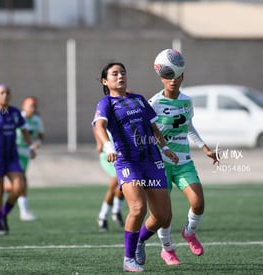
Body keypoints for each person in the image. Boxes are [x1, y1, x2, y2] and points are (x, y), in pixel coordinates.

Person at [92, 62, 179, 272]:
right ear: (106, 81)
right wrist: (107, 145)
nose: (120, 76)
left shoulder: (139, 99)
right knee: (138, 207)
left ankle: (140, 241)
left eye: (123, 72)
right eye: (115, 74)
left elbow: (153, 127)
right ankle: (129, 259)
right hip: (128, 162)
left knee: (162, 216)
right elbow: (99, 126)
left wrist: (165, 147)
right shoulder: (106, 103)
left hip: (153, 160)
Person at [148, 49, 219, 265]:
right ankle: (167, 249)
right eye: (168, 76)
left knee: (198, 203)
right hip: (159, 163)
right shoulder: (154, 104)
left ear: (182, 76)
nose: (172, 80)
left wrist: (205, 148)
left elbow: (188, 127)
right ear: (162, 77)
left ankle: (189, 232)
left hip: (183, 162)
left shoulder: (187, 102)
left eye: (176, 76)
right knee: (164, 214)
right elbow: (148, 131)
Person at [0, 84, 36, 235]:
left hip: (11, 156)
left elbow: (24, 130)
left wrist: (30, 147)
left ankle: (3, 214)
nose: (5, 95)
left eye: (7, 92)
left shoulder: (15, 113)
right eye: (1, 93)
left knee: (19, 186)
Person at [14, 96, 44, 221]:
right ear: (23, 106)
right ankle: (24, 212)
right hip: (15, 151)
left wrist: (36, 144)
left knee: (20, 183)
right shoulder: (18, 118)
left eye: (34, 105)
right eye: (30, 105)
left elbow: (40, 136)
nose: (33, 108)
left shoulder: (37, 120)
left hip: (26, 153)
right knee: (22, 182)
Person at [94, 129, 125, 232]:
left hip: (122, 155)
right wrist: (99, 142)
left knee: (124, 186)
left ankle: (116, 211)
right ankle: (103, 216)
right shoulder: (106, 113)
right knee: (115, 183)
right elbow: (97, 126)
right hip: (108, 156)